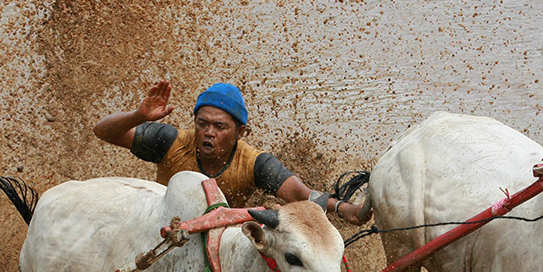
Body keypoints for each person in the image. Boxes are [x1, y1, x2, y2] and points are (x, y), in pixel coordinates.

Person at [93, 80, 371, 225]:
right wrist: (138, 115)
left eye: (219, 127)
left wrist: (344, 207)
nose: (209, 132)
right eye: (202, 124)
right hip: (165, 228)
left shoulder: (255, 163)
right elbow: (103, 132)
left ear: (240, 132)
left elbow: (301, 195)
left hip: (222, 239)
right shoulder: (171, 142)